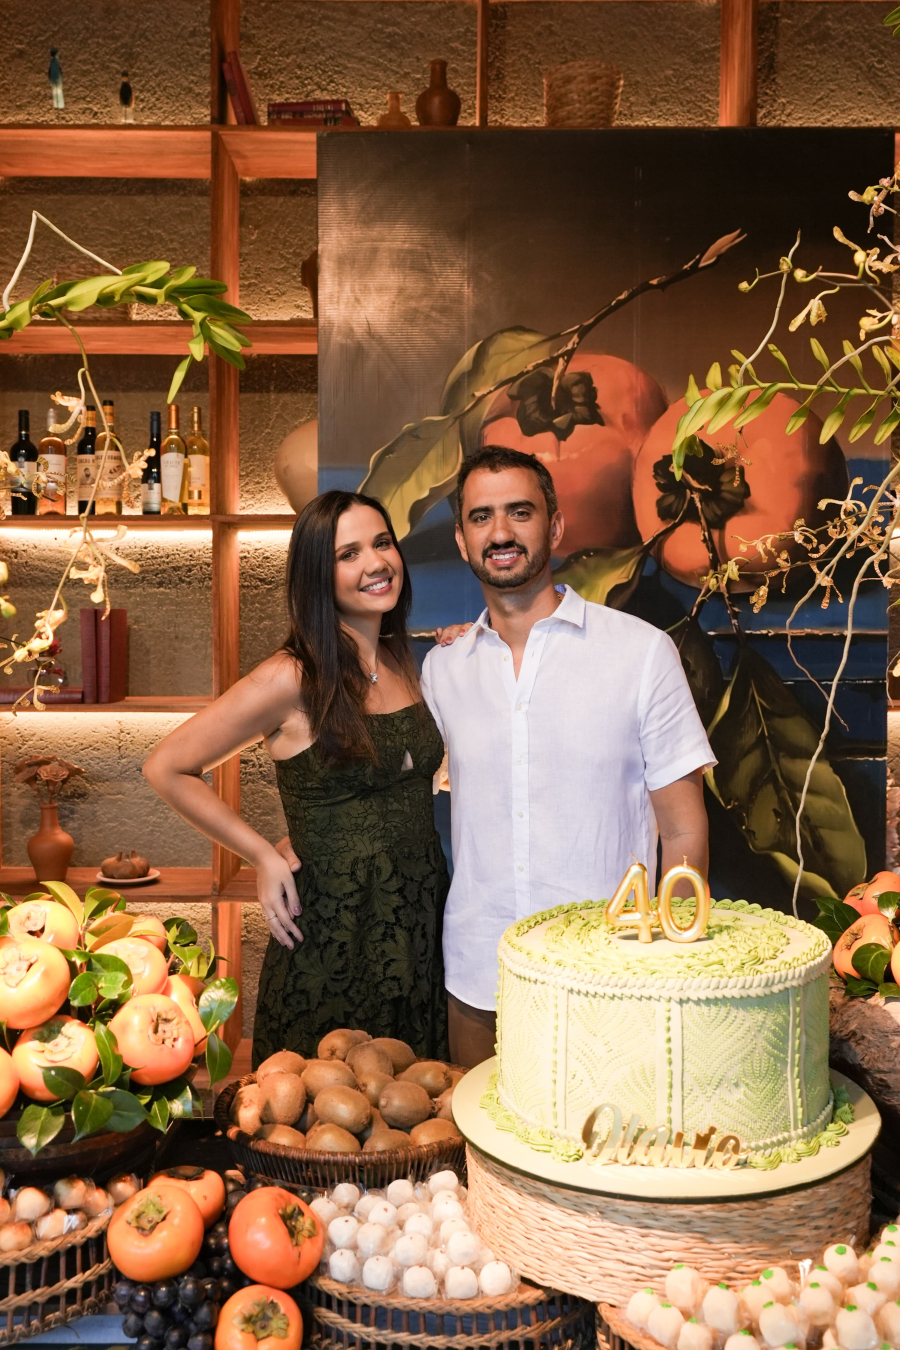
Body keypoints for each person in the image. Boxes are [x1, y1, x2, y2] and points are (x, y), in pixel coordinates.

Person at [420, 446, 715, 1069]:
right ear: (462, 539)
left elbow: (683, 828)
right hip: (478, 973)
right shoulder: (443, 668)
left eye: (520, 512)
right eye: (481, 517)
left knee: (611, 1130)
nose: (501, 532)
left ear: (554, 527)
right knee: (477, 1130)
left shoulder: (641, 653)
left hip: (612, 974)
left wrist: (673, 960)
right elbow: (396, 784)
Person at [143, 490, 449, 1064]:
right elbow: (166, 766)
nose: (376, 563)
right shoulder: (291, 676)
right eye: (348, 554)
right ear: (316, 575)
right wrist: (263, 855)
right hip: (335, 933)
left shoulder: (405, 659)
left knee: (415, 1103)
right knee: (318, 1104)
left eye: (382, 543)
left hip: (419, 922)